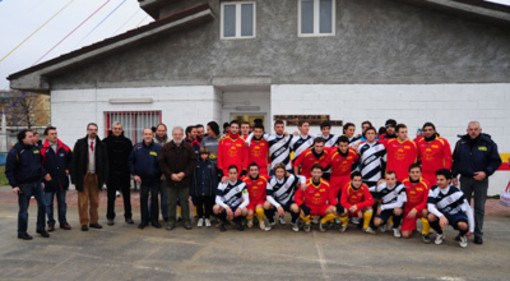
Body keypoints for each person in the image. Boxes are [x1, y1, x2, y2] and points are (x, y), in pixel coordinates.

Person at [451, 121, 501, 245]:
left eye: (476, 129)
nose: (473, 131)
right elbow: (456, 160)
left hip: (481, 180)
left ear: (480, 130)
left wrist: (486, 173)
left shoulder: (488, 143)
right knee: (463, 206)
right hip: (465, 179)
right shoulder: (461, 143)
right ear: (467, 130)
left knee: (479, 207)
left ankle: (478, 234)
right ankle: (463, 231)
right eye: (471, 129)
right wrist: (454, 175)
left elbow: (495, 161)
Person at [5, 129, 51, 240]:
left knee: (43, 205)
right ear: (23, 138)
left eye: (33, 136)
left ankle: (41, 227)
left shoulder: (35, 149)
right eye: (30, 136)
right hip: (24, 185)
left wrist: (43, 178)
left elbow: (38, 166)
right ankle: (22, 232)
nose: (33, 138)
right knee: (24, 209)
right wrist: (14, 185)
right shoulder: (15, 152)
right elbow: (9, 171)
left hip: (37, 183)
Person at [71, 122, 109, 231]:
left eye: (95, 129)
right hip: (83, 176)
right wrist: (74, 179)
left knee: (95, 201)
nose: (93, 131)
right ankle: (84, 222)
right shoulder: (80, 143)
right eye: (91, 129)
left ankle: (94, 221)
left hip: (96, 176)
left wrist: (105, 178)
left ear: (97, 131)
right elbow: (74, 161)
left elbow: (106, 162)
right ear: (87, 131)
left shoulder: (102, 145)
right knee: (83, 202)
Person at [159, 126, 197, 230]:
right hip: (170, 180)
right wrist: (170, 174)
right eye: (175, 134)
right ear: (172, 135)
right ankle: (171, 221)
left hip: (184, 180)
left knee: (184, 201)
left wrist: (184, 173)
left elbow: (193, 162)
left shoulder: (188, 147)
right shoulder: (166, 147)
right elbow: (162, 163)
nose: (177, 136)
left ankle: (186, 220)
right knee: (171, 202)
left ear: (183, 135)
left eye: (179, 134)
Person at [427, 169, 474, 248]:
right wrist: (441, 216)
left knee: (463, 225)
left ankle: (462, 236)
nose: (438, 182)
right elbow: (430, 207)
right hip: (443, 214)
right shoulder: (433, 190)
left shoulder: (457, 193)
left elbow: (468, 209)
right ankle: (440, 233)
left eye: (441, 180)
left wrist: (472, 228)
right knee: (430, 216)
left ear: (448, 180)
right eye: (437, 179)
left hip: (456, 215)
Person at [129, 128, 163, 229]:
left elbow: (162, 162)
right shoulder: (136, 147)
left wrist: (159, 173)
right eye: (145, 134)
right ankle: (144, 221)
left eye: (149, 134)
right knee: (143, 199)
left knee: (155, 199)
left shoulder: (158, 147)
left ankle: (154, 220)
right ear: (143, 135)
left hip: (155, 178)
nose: (147, 136)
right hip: (142, 179)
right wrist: (134, 174)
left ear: (153, 135)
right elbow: (131, 162)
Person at [40, 126, 73, 232]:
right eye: (52, 134)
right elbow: (38, 165)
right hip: (49, 182)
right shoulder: (42, 150)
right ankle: (50, 223)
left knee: (62, 203)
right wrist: (44, 175)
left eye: (55, 133)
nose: (54, 135)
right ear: (46, 136)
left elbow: (71, 160)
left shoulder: (65, 148)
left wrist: (68, 169)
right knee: (48, 203)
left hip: (61, 181)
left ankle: (63, 221)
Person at [104, 121, 133, 226]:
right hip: (111, 174)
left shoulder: (127, 142)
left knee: (127, 197)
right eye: (115, 128)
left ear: (122, 130)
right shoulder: (105, 142)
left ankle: (128, 216)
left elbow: (131, 158)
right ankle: (110, 217)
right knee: (111, 197)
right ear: (112, 129)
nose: (117, 130)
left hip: (124, 173)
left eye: (119, 128)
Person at [294, 165, 337, 232]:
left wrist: (338, 205)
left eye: (318, 172)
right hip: (309, 207)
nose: (316, 174)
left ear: (322, 173)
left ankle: (322, 221)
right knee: (301, 211)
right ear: (311, 173)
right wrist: (303, 206)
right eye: (314, 172)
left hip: (322, 207)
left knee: (336, 210)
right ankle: (307, 222)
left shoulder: (326, 184)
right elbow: (297, 198)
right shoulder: (305, 184)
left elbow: (331, 198)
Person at [264, 163, 306, 232]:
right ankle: (271, 221)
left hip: (289, 202)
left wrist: (303, 183)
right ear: (274, 172)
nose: (279, 174)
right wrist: (278, 206)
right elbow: (268, 196)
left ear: (285, 172)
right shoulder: (271, 181)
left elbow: (302, 177)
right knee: (266, 204)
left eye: (281, 172)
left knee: (296, 208)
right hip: (277, 202)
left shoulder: (291, 178)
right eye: (278, 172)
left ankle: (293, 222)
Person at [366, 171, 407, 238]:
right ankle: (384, 223)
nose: (390, 181)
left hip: (394, 207)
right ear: (385, 179)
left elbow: (399, 204)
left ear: (396, 179)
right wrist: (362, 188)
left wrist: (382, 207)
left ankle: (396, 227)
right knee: (376, 223)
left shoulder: (401, 187)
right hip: (385, 208)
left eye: (392, 179)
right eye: (388, 179)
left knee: (397, 211)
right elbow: (371, 189)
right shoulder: (382, 186)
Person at [213, 165, 250, 232]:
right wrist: (226, 207)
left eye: (234, 173)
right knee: (216, 208)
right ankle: (224, 221)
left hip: (236, 206)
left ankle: (238, 221)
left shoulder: (242, 184)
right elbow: (217, 199)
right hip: (226, 206)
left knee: (245, 211)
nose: (232, 175)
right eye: (231, 173)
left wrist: (240, 208)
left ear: (237, 173)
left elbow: (247, 200)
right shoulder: (222, 183)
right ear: (228, 173)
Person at [401, 163, 431, 242]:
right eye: (413, 172)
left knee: (426, 212)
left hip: (420, 209)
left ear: (421, 173)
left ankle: (426, 232)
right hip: (408, 211)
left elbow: (425, 201)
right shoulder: (404, 182)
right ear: (409, 173)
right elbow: (401, 199)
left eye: (417, 172)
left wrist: (416, 209)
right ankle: (412, 227)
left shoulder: (426, 183)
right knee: (405, 235)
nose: (415, 174)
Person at [326, 136, 359, 204]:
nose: (344, 148)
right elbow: (325, 164)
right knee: (331, 197)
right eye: (341, 146)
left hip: (346, 176)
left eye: (345, 146)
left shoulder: (352, 152)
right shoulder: (333, 154)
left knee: (346, 196)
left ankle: (345, 210)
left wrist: (351, 169)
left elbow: (357, 160)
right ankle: (333, 210)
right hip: (335, 177)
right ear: (337, 145)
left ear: (348, 145)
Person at [190, 147, 218, 228]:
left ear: (208, 154)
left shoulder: (212, 164)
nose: (204, 156)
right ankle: (200, 218)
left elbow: (214, 178)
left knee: (208, 204)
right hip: (199, 189)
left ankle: (207, 218)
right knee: (199, 204)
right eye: (202, 154)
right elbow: (194, 178)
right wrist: (193, 189)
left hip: (208, 189)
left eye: (205, 154)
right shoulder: (196, 164)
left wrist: (213, 189)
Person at [242, 163, 269, 230]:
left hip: (260, 201)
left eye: (255, 170)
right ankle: (250, 219)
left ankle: (261, 220)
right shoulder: (244, 180)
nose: (254, 172)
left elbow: (278, 176)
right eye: (252, 170)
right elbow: (233, 179)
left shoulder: (264, 179)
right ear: (248, 171)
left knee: (259, 209)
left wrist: (286, 174)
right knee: (248, 213)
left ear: (258, 171)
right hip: (250, 202)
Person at [153, 123, 170, 222]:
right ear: (156, 131)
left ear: (166, 131)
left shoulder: (170, 142)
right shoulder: (152, 141)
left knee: (165, 198)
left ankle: (166, 216)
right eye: (159, 130)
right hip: (154, 175)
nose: (161, 132)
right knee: (153, 198)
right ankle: (152, 216)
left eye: (163, 130)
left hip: (165, 175)